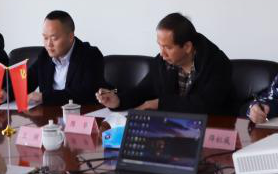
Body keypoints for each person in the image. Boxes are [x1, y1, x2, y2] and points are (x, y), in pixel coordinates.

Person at [95, 12, 233, 115]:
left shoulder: (216, 63)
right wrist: (118, 101)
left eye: (168, 47)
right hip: (172, 129)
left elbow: (206, 104)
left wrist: (160, 104)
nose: (162, 53)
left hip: (213, 129)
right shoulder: (163, 62)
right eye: (160, 45)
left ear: (187, 47)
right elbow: (143, 90)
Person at [27, 10, 106, 108]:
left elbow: (86, 93)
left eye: (54, 38)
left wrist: (45, 97)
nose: (48, 44)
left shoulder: (90, 55)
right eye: (45, 38)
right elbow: (26, 82)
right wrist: (9, 93)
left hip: (80, 114)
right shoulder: (45, 55)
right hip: (49, 115)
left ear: (70, 36)